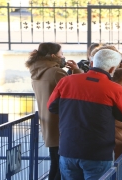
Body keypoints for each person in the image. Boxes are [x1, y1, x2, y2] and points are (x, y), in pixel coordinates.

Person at [47, 49, 122, 179]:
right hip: (98, 153)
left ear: (92, 64)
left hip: (68, 149)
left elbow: (51, 107)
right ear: (112, 69)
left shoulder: (67, 81)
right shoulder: (115, 89)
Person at [25, 42, 82, 180]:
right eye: (61, 54)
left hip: (48, 123)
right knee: (62, 167)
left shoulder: (35, 72)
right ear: (53, 56)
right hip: (62, 123)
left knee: (55, 163)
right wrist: (77, 71)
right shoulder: (56, 72)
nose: (63, 57)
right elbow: (76, 91)